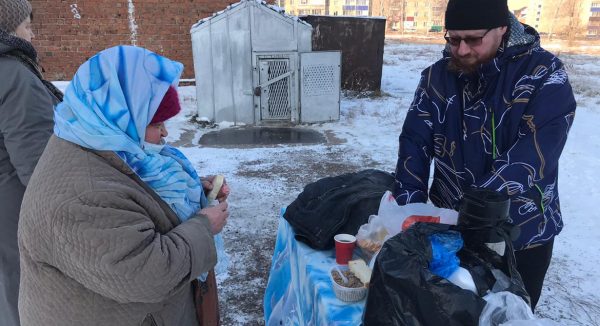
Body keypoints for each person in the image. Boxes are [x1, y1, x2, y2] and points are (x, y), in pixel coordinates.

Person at [18, 45, 229, 326]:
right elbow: (148, 274)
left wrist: (193, 190)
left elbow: (132, 190)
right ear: (119, 117)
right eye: (155, 123)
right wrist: (203, 227)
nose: (165, 132)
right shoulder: (82, 197)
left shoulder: (100, 142)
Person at [393, 0, 576, 310]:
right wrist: (407, 214)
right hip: (447, 227)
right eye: (453, 39)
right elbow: (414, 143)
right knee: (444, 311)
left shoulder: (544, 75)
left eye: (473, 39)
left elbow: (533, 154)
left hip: (522, 234)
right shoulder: (435, 78)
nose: (462, 50)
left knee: (508, 314)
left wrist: (475, 212)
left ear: (502, 28)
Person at [0, 1, 63, 325]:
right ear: (8, 29)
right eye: (26, 25)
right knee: (24, 294)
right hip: (16, 211)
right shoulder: (13, 73)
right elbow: (40, 169)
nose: (33, 32)